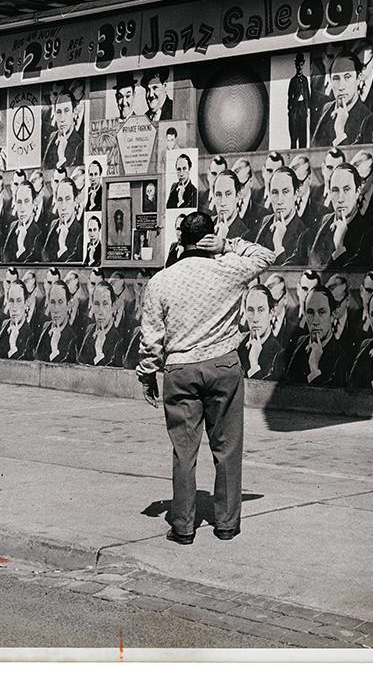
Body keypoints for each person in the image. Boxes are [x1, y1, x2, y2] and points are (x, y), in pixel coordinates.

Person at [136, 212, 279, 544]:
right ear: (209, 239)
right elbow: (266, 256)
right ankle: (226, 524)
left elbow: (151, 339)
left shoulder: (162, 281)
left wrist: (147, 375)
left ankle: (184, 527)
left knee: (184, 450)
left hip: (180, 369)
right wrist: (228, 244)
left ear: (180, 241)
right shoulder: (228, 269)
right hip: (223, 366)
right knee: (227, 447)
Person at [309, 163, 373, 268]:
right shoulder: (320, 224)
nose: (340, 198)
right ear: (329, 192)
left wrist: (339, 247)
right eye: (335, 190)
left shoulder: (369, 231)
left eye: (347, 189)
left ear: (357, 191)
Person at [284, 286, 345, 387]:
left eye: (321, 312)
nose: (315, 321)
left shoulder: (342, 356)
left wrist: (314, 369)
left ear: (332, 316)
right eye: (310, 313)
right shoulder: (298, 345)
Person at [312, 52, 373, 147]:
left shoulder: (367, 119)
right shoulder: (327, 108)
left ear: (358, 78)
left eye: (347, 77)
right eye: (336, 78)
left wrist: (340, 133)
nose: (341, 86)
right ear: (330, 80)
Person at [254, 166, 309, 265]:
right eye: (275, 192)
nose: (279, 200)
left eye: (285, 192)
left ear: (296, 194)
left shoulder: (304, 235)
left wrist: (278, 246)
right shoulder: (264, 223)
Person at [238, 284, 284, 380]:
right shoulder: (239, 346)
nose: (255, 318)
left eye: (261, 310)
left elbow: (264, 394)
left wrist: (254, 364)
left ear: (271, 313)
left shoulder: (279, 356)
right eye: (250, 310)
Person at [76, 281, 124, 366]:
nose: (100, 311)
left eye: (105, 304)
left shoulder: (119, 340)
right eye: (97, 304)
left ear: (113, 306)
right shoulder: (89, 331)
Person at [34, 281, 79, 363]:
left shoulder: (74, 338)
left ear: (68, 305)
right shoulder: (45, 328)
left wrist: (54, 349)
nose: (56, 309)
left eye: (60, 302)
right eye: (53, 302)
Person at [43, 179, 83, 263]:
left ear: (75, 201)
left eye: (68, 199)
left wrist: (62, 246)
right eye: (60, 200)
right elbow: (44, 256)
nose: (63, 206)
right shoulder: (53, 225)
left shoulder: (81, 231)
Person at [3, 179, 43, 263]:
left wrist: (20, 246)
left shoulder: (39, 233)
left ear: (34, 202)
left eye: (27, 201)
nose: (22, 208)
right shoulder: (12, 226)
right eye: (19, 202)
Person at [0, 280, 35, 360]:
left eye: (19, 301)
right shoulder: (4, 326)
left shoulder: (31, 335)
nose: (14, 307)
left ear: (26, 303)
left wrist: (13, 346)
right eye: (11, 301)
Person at [44, 89, 85, 169]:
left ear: (74, 112)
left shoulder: (80, 145)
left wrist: (61, 156)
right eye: (59, 112)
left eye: (66, 111)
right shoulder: (52, 136)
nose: (62, 118)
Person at [209, 170, 252, 240]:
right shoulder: (206, 224)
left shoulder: (245, 235)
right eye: (218, 195)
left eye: (228, 194)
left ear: (237, 196)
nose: (222, 203)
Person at [287, 52, 311, 148]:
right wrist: (291, 109)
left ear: (303, 64)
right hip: (295, 109)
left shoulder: (305, 80)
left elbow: (307, 94)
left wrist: (308, 108)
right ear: (295, 65)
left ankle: (303, 152)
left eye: (301, 65)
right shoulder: (293, 80)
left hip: (303, 109)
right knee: (294, 134)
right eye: (298, 65)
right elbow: (289, 96)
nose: (300, 67)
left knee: (303, 134)